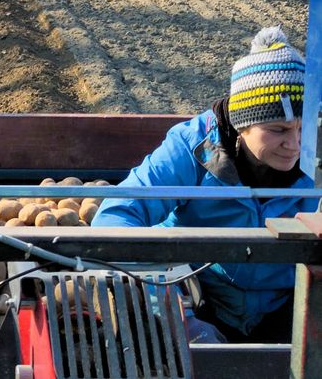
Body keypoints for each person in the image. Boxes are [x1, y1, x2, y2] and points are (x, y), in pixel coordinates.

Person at [92, 25, 315, 344]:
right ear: (242, 125)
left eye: (302, 128)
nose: (294, 145)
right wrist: (176, 316)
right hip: (199, 296)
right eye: (278, 130)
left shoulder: (315, 156)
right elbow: (116, 216)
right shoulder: (195, 147)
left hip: (289, 306)